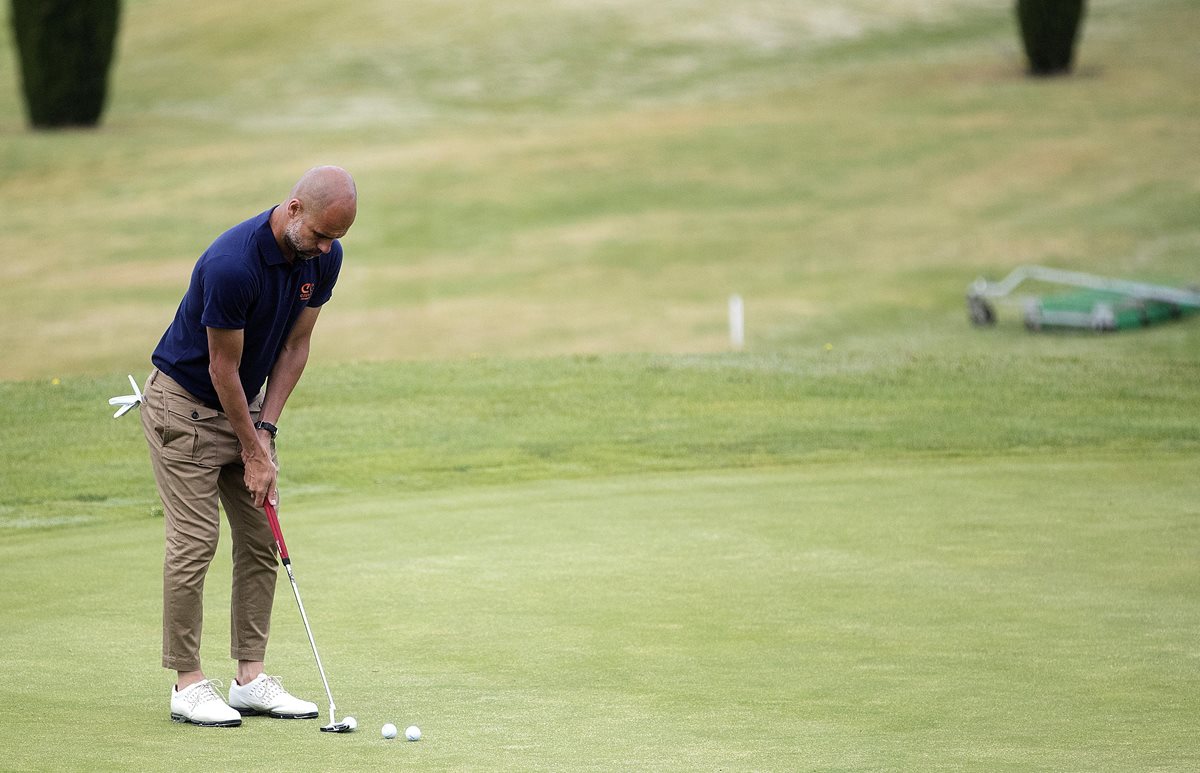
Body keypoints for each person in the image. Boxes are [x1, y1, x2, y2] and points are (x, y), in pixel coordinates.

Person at [139, 166, 357, 727]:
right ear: (292, 209)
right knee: (195, 541)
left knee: (261, 536)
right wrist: (253, 450)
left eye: (335, 240)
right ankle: (188, 685)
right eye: (318, 235)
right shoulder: (232, 265)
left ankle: (250, 679)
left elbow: (296, 345)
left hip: (245, 408)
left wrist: (267, 431)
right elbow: (222, 367)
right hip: (183, 409)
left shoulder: (322, 257)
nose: (325, 248)